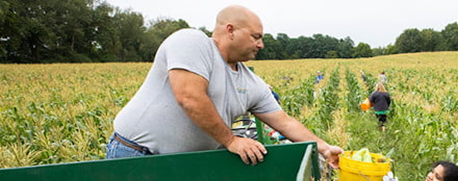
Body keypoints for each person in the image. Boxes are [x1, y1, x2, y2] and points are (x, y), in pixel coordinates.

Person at [106, 5, 342, 167]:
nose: (261, 45)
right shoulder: (191, 42)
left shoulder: (251, 83)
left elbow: (285, 122)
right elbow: (189, 97)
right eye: (256, 37)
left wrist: (323, 147)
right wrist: (231, 141)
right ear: (230, 30)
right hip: (136, 154)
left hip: (184, 164)